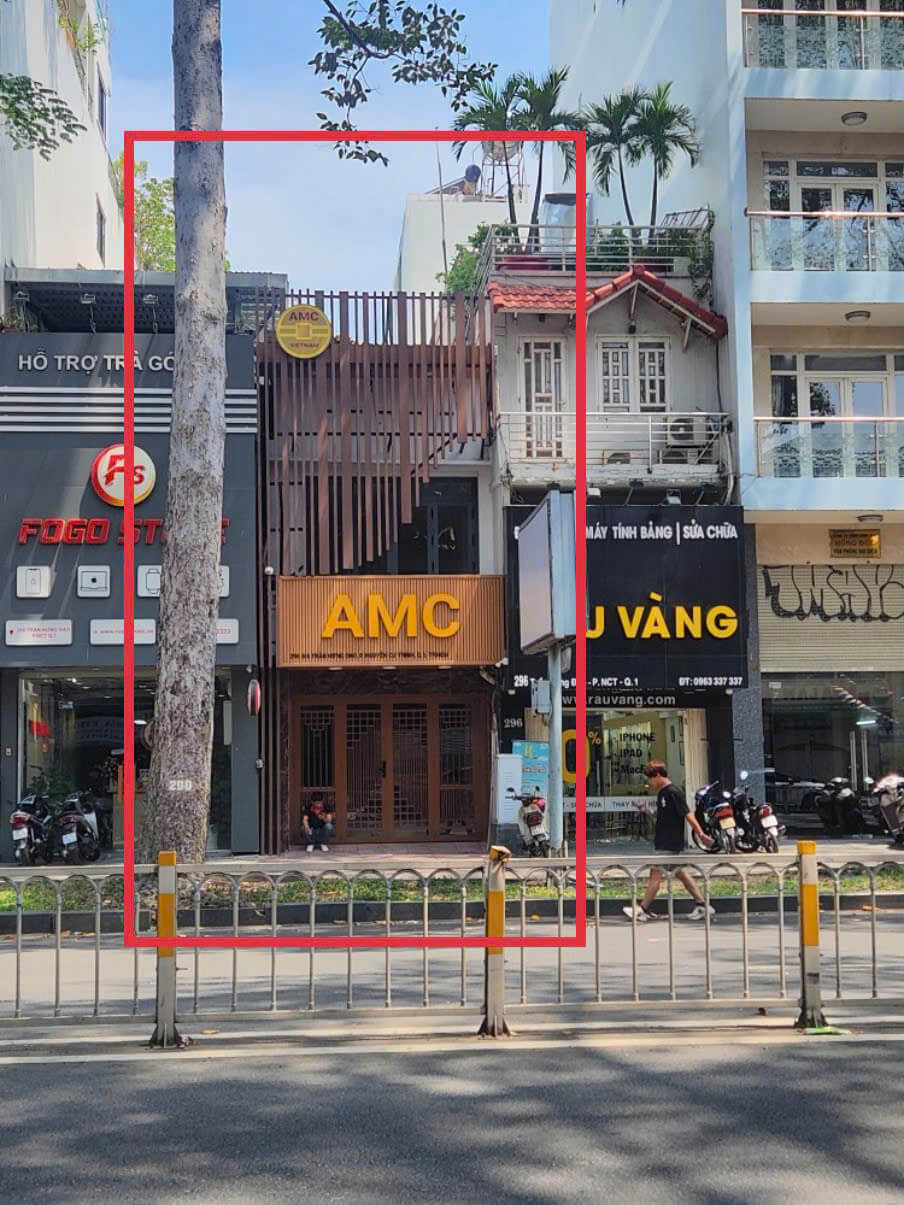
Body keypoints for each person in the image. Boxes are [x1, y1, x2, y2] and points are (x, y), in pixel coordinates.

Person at [623, 760, 715, 923]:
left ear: (658, 775)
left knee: (655, 875)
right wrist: (647, 810)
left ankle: (642, 909)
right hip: (664, 840)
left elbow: (687, 814)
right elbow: (663, 816)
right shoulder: (662, 793)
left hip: (668, 842)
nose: (649, 783)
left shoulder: (673, 792)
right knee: (681, 873)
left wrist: (700, 833)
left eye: (650, 779)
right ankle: (702, 905)